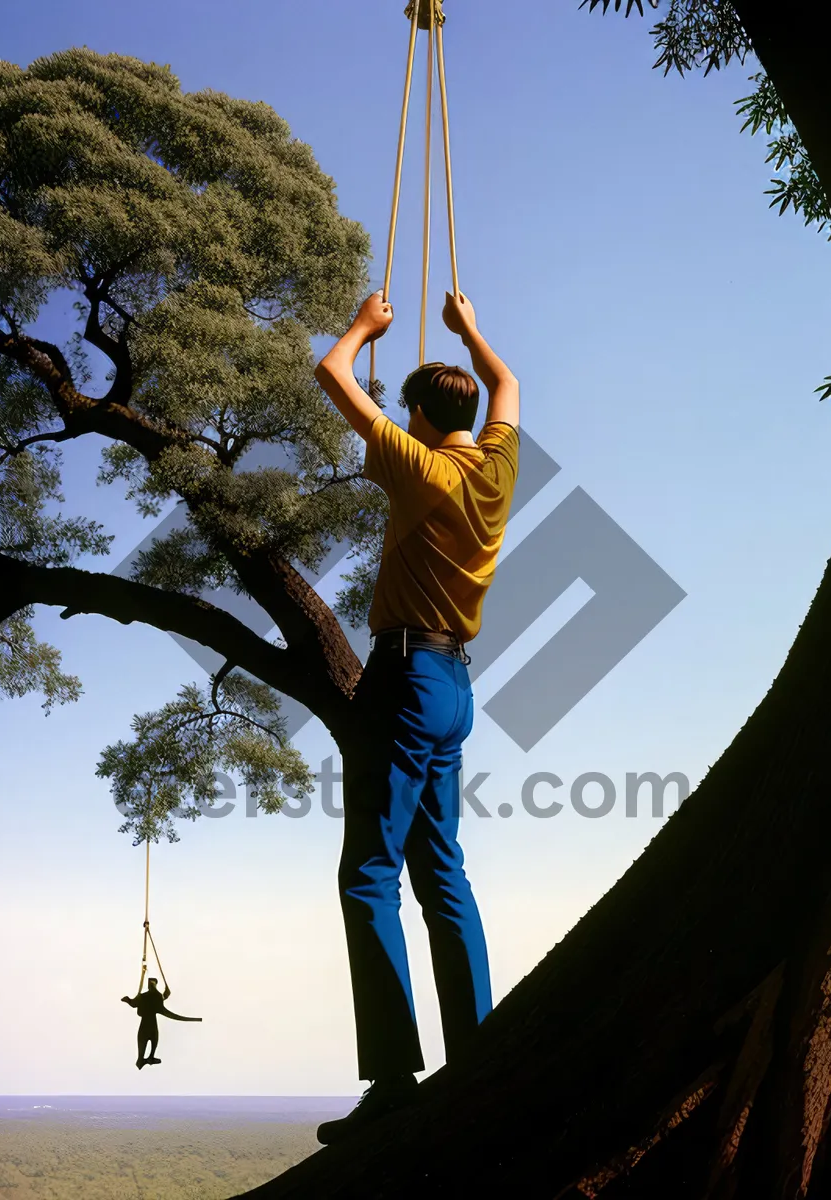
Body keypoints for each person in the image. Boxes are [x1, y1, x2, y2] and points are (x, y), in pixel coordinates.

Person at [312, 290, 519, 1144]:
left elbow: (331, 372)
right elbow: (506, 384)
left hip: (403, 678)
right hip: (456, 686)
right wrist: (471, 332)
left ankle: (395, 1079)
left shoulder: (423, 466)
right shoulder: (498, 467)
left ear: (424, 419)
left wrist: (365, 327)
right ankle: (476, 1061)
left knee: (368, 872)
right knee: (443, 873)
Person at [121, 978, 202, 1069]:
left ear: (155, 984)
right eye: (150, 983)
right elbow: (133, 1003)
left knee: (153, 1041)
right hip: (146, 1025)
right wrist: (128, 1000)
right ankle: (142, 1060)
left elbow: (134, 1003)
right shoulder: (146, 996)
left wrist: (165, 995)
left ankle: (150, 1058)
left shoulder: (155, 996)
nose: (151, 984)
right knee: (143, 1046)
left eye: (153, 983)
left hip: (150, 1025)